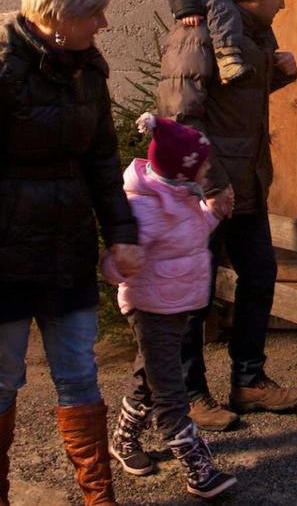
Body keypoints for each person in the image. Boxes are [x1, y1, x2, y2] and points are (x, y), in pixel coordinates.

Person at [0, 0, 142, 506]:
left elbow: (103, 162)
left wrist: (121, 233)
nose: (103, 24)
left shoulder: (89, 71)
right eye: (94, 13)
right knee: (1, 375)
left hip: (67, 254)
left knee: (79, 373)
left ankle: (100, 497)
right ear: (57, 15)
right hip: (1, 262)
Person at [156, 0, 297, 432]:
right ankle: (190, 394)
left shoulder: (253, 33)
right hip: (205, 189)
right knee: (192, 292)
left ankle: (248, 381)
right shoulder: (197, 33)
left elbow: (236, 97)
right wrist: (212, 183)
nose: (283, 3)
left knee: (259, 274)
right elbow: (180, 116)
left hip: (246, 184)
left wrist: (279, 72)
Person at [102, 112, 237, 499]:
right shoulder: (145, 208)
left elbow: (187, 236)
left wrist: (213, 213)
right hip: (150, 308)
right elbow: (118, 261)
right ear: (183, 171)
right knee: (170, 391)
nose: (208, 169)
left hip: (175, 304)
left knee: (149, 375)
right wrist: (118, 263)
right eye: (203, 164)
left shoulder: (181, 195)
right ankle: (198, 469)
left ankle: (124, 439)